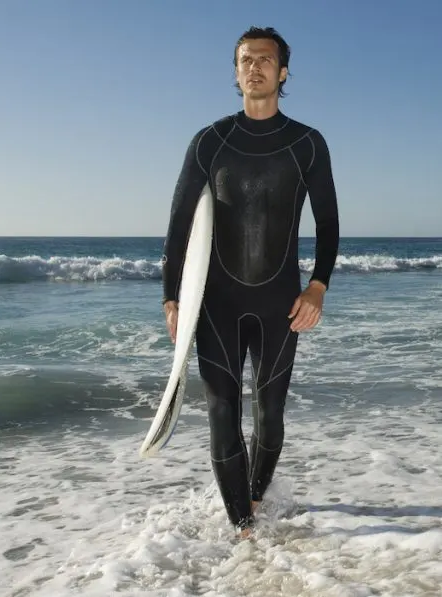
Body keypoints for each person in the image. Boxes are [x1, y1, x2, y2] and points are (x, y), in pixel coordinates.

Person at [159, 26, 340, 538]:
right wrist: (172, 297)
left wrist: (317, 287)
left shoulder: (307, 143)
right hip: (216, 303)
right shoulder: (210, 141)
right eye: (246, 59)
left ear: (283, 73)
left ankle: (255, 499)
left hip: (280, 302)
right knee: (221, 414)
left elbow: (327, 224)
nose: (255, 66)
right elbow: (178, 224)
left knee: (271, 415)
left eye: (265, 59)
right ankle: (243, 531)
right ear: (236, 72)